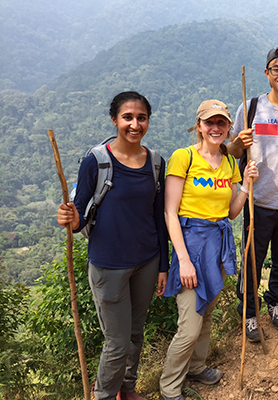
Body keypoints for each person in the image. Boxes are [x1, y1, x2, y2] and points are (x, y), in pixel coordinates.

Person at [57, 91, 169, 400]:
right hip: (108, 264)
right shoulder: (97, 160)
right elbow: (79, 217)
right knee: (117, 341)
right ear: (114, 120)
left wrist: (163, 266)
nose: (135, 124)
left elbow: (159, 218)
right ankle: (104, 394)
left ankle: (127, 388)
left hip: (147, 260)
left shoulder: (156, 162)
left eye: (141, 117)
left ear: (148, 120)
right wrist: (69, 217)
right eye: (128, 117)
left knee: (135, 333)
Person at [159, 100, 258, 400]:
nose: (215, 128)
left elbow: (231, 212)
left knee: (207, 312)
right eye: (209, 123)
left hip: (217, 245)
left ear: (229, 127)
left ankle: (197, 366)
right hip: (190, 244)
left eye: (221, 123)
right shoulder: (184, 158)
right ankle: (169, 386)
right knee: (189, 325)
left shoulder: (229, 162)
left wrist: (246, 186)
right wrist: (184, 261)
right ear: (199, 126)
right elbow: (169, 213)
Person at [227, 45, 278, 341]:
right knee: (252, 258)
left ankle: (276, 302)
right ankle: (250, 312)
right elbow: (230, 152)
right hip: (256, 200)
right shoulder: (250, 108)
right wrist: (239, 141)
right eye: (276, 69)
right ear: (267, 74)